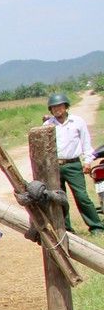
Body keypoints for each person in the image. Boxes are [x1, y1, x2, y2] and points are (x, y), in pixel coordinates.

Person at [43, 92, 104, 236]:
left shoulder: (77, 122)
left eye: (60, 106)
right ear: (50, 110)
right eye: (54, 107)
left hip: (73, 165)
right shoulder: (47, 125)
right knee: (59, 198)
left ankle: (96, 227)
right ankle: (67, 229)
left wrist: (88, 161)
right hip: (54, 166)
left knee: (82, 196)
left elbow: (86, 143)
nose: (57, 109)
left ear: (66, 107)